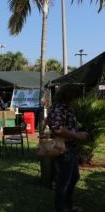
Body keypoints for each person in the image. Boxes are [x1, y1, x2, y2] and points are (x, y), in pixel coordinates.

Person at [49, 84, 88, 212]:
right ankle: (61, 208)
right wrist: (77, 135)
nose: (76, 100)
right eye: (75, 97)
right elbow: (57, 129)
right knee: (63, 182)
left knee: (74, 177)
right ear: (69, 96)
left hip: (70, 148)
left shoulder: (66, 107)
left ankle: (68, 206)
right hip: (64, 149)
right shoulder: (59, 108)